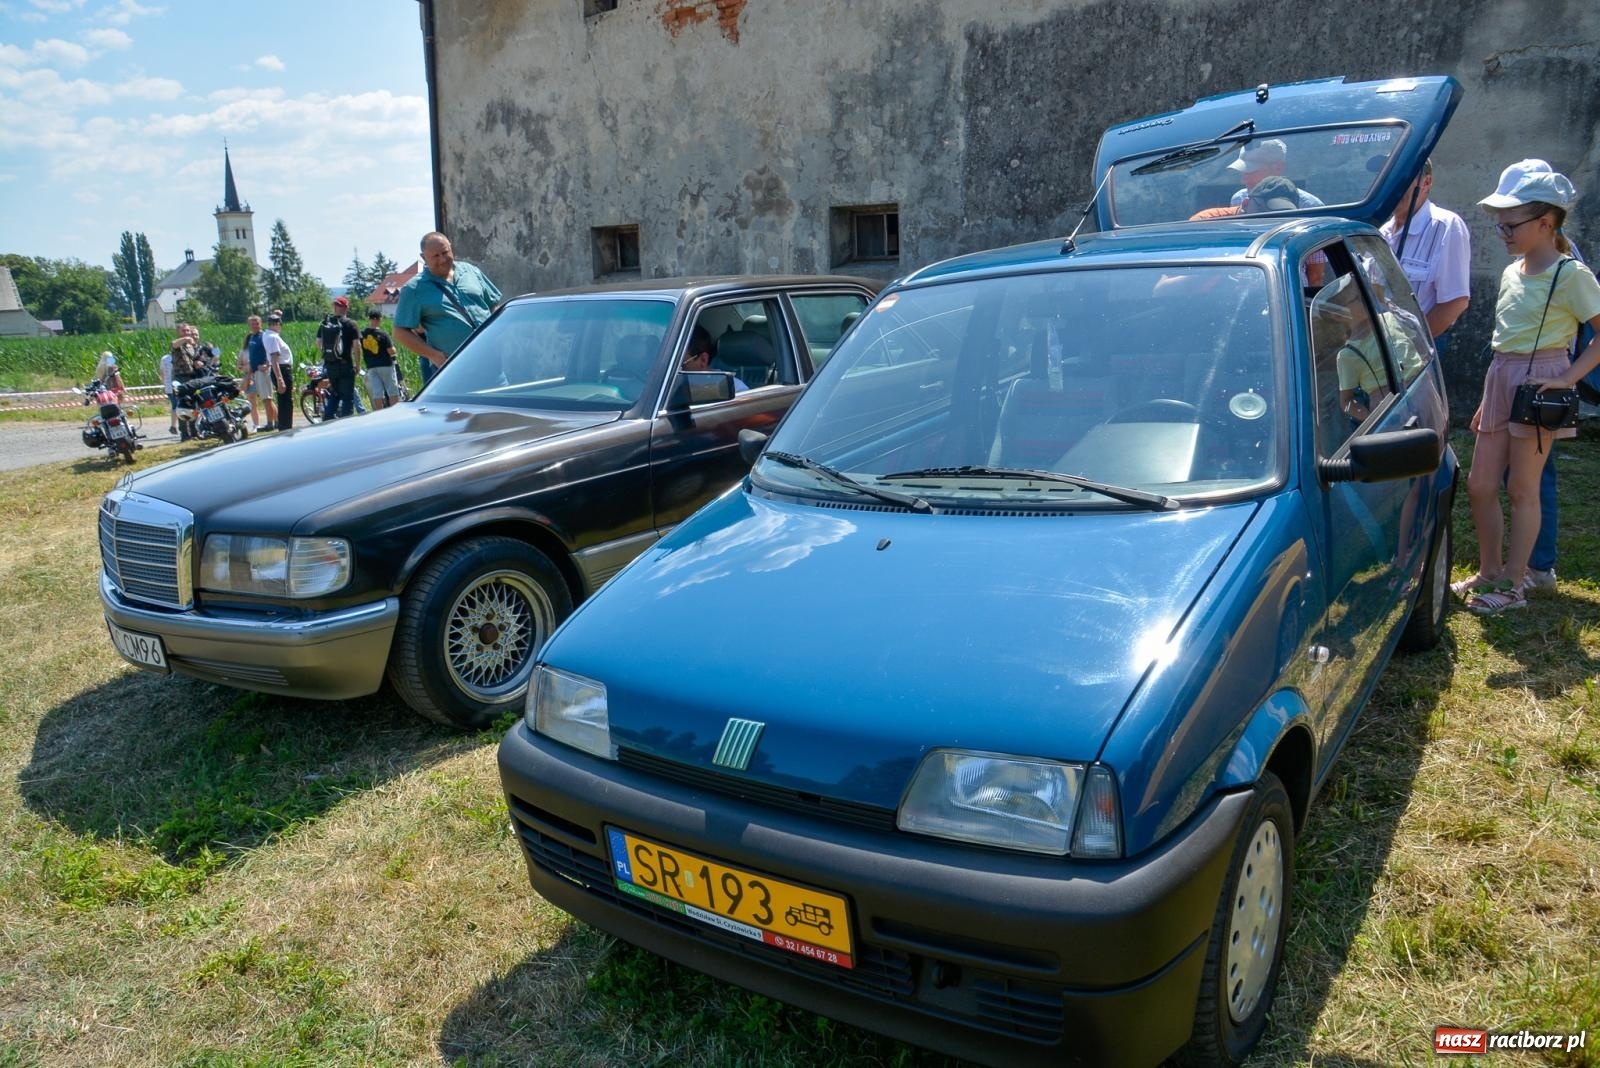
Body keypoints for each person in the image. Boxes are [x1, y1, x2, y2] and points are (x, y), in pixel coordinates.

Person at [1451, 167, 1600, 614]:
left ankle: (1515, 584)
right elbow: (1505, 343)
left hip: (1539, 384)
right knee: (1480, 485)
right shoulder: (1512, 270)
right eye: (1499, 225)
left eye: (1510, 226)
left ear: (1545, 223)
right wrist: (1487, 399)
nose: (1503, 234)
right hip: (1500, 377)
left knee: (1522, 488)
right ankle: (1490, 570)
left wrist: (1568, 378)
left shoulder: (1570, 274)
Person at [1380, 158, 1471, 355]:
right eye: (1388, 178)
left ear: (1426, 182)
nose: (1392, 187)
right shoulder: (1381, 233)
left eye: (1402, 179)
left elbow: (1455, 302)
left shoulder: (1446, 226)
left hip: (1421, 350)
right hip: (1380, 349)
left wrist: (1412, 347)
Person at [394, 231, 501, 379]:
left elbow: (494, 305)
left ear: (451, 248)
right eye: (436, 256)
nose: (443, 259)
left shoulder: (471, 271)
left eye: (445, 252)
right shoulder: (414, 289)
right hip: (453, 370)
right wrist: (433, 355)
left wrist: (498, 332)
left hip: (492, 361)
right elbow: (399, 332)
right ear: (423, 258)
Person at [1226, 139, 1324, 209]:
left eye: (1252, 171)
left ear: (1278, 168)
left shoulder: (1310, 207)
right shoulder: (1239, 199)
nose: (1244, 180)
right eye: (1243, 171)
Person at [316, 296, 362, 420]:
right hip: (345, 364)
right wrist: (358, 364)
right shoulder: (351, 324)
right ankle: (346, 423)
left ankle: (327, 420)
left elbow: (318, 342)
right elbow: (357, 345)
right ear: (346, 308)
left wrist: (327, 355)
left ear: (335, 307)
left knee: (335, 394)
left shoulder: (325, 323)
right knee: (347, 398)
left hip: (331, 365)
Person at [238, 314, 277, 430]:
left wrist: (267, 364)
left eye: (257, 323)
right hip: (255, 371)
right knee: (265, 398)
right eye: (252, 324)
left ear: (261, 324)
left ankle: (271, 423)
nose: (255, 326)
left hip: (262, 371)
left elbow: (271, 351)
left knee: (267, 398)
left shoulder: (263, 336)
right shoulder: (252, 338)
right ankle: (276, 421)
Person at [683, 326, 747, 392]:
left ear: (703, 360)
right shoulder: (678, 387)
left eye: (681, 365)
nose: (677, 371)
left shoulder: (734, 390)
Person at [360, 311, 402, 409]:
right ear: (378, 319)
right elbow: (391, 351)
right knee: (392, 390)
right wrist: (395, 350)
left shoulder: (362, 335)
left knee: (377, 392)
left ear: (369, 319)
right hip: (386, 365)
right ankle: (395, 411)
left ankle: (379, 412)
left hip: (371, 366)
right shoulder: (383, 334)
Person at [265, 310, 293, 430]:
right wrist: (280, 379)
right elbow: (274, 359)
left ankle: (284, 426)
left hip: (280, 369)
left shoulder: (268, 335)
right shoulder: (273, 338)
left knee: (284, 400)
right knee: (286, 401)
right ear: (276, 324)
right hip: (282, 370)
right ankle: (286, 427)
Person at [159, 346, 176, 434]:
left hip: (168, 386)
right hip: (176, 385)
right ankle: (174, 426)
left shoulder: (164, 358)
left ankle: (173, 425)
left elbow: (161, 372)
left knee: (174, 405)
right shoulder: (177, 359)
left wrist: (164, 384)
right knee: (177, 406)